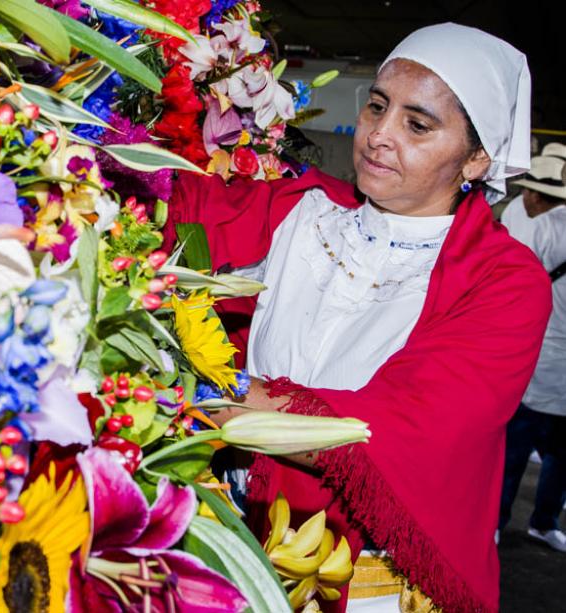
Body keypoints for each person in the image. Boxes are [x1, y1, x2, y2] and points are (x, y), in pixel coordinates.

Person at [165, 23, 550, 613]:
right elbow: (168, 204)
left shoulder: (504, 279)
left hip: (362, 565)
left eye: (417, 125)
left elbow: (406, 424)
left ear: (476, 158)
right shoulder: (302, 208)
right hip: (233, 517)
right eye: (376, 106)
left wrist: (205, 395)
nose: (378, 135)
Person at [497, 149, 566, 552]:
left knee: (518, 449)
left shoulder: (534, 225)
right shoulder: (522, 218)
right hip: (541, 357)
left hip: (541, 355)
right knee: (538, 452)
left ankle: (510, 521)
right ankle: (540, 520)